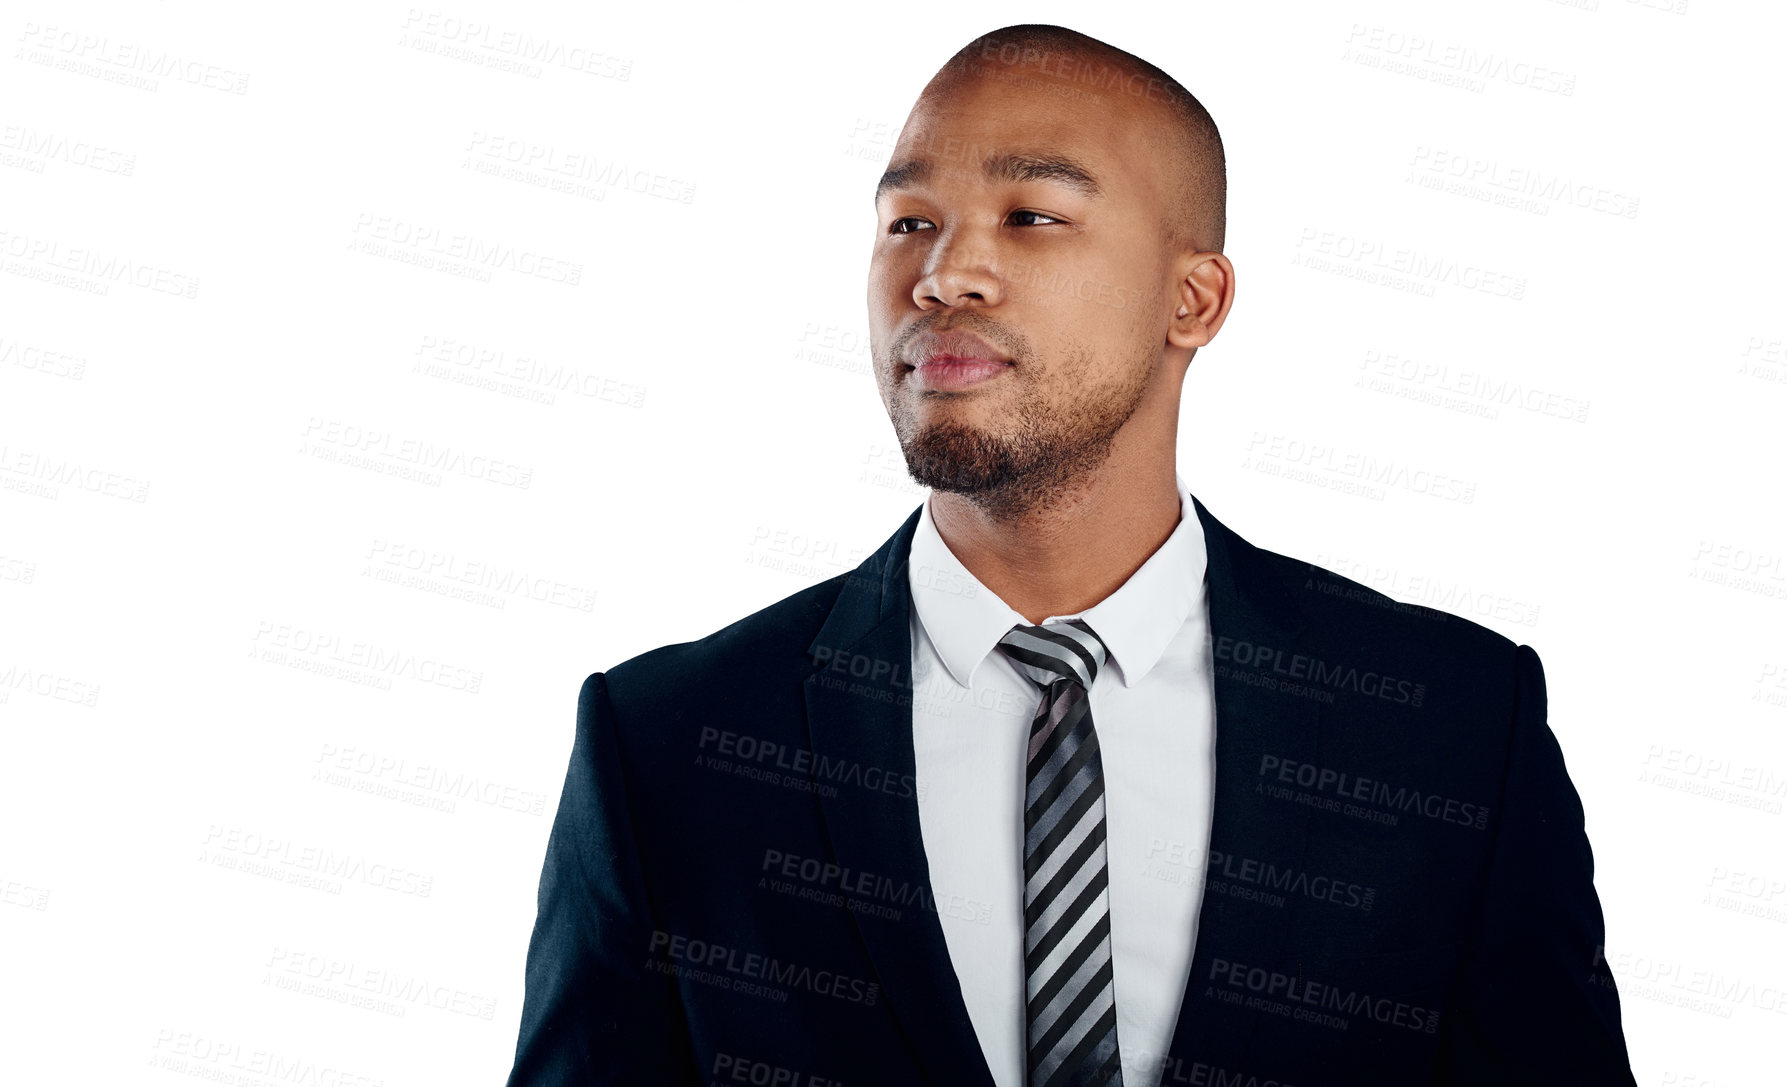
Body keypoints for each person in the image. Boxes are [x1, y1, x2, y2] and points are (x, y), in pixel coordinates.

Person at [505, 23, 1637, 1087]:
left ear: (1192, 300)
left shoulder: (1444, 729)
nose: (944, 274)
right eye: (907, 223)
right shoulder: (667, 745)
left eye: (1030, 216)